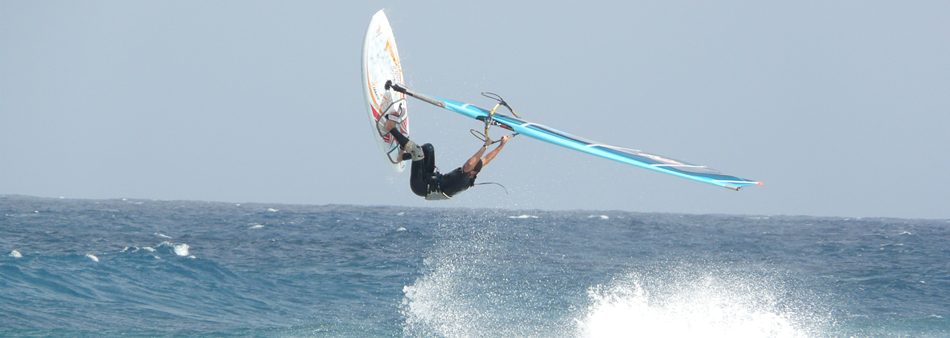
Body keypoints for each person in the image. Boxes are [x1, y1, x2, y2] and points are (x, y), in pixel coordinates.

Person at [377, 102, 510, 200]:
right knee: (428, 149)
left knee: (417, 151)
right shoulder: (472, 173)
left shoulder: (465, 177)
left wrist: (485, 146)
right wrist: (501, 145)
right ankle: (401, 156)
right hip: (429, 177)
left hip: (420, 186)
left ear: (472, 172)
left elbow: (469, 163)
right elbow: (486, 160)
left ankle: (390, 127)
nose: (467, 164)